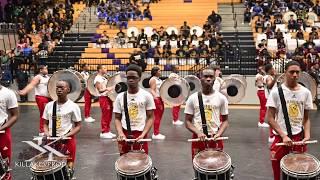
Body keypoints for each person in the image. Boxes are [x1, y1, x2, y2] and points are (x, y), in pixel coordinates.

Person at [267, 61, 313, 180]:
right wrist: (283, 136)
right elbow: (270, 118)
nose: (295, 75)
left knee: (297, 172)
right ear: (285, 73)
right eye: (291, 72)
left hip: (298, 137)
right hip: (280, 138)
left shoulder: (306, 93)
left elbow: (306, 118)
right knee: (277, 173)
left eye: (297, 72)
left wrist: (307, 136)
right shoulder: (276, 92)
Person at [185, 68, 229, 159]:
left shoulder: (222, 98)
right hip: (198, 137)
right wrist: (198, 132)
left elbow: (225, 121)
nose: (208, 79)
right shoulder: (192, 98)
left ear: (215, 79)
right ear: (200, 78)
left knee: (217, 167)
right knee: (199, 167)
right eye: (205, 76)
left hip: (215, 137)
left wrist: (219, 133)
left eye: (211, 77)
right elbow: (187, 122)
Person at [43, 80, 82, 178]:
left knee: (68, 169)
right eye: (57, 87)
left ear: (68, 90)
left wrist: (66, 136)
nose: (59, 90)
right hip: (52, 141)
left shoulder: (73, 106)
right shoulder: (49, 105)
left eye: (62, 88)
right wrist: (47, 133)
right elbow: (45, 124)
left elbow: (78, 126)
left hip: (67, 141)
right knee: (52, 169)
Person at [114, 64, 155, 155]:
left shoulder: (147, 96)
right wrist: (120, 133)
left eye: (134, 77)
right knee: (124, 164)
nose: (130, 80)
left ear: (139, 78)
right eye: (128, 77)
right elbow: (117, 118)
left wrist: (143, 134)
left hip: (140, 134)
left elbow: (151, 117)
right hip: (124, 134)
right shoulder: (120, 97)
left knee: (141, 163)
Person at [18, 65, 51, 135]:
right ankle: (42, 131)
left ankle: (48, 129)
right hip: (41, 98)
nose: (47, 70)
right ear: (40, 70)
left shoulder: (48, 77)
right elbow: (31, 85)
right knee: (44, 114)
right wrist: (25, 91)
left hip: (49, 98)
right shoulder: (38, 77)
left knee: (50, 114)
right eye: (45, 69)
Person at [0, 63, 19, 180]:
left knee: (4, 165)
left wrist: (2, 128)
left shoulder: (8, 93)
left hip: (2, 133)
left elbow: (15, 115)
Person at [94, 65, 116, 138]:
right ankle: (104, 132)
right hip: (103, 98)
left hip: (108, 97)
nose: (106, 69)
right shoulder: (98, 79)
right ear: (100, 70)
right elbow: (100, 90)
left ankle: (108, 130)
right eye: (104, 68)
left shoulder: (104, 77)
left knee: (109, 115)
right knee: (105, 115)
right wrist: (108, 89)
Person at [149, 67, 165, 139]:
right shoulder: (153, 79)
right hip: (157, 99)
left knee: (159, 116)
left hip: (160, 99)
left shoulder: (159, 79)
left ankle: (156, 132)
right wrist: (156, 98)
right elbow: (152, 90)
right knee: (157, 117)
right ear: (155, 72)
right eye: (159, 71)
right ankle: (155, 134)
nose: (160, 71)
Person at [264, 64, 278, 142]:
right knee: (272, 118)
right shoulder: (268, 77)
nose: (274, 70)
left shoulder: (270, 77)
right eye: (272, 68)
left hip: (273, 99)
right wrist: (275, 78)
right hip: (271, 100)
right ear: (269, 70)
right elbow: (269, 86)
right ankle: (271, 136)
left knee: (275, 118)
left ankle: (273, 134)